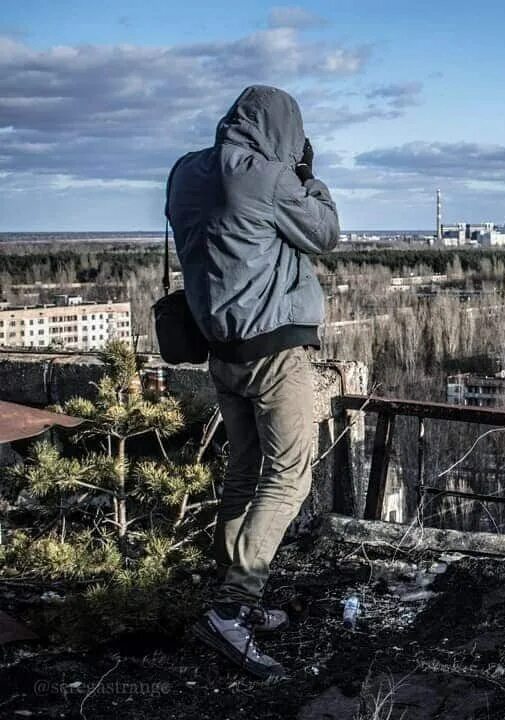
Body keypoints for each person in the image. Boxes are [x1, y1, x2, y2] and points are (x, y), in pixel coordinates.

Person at [166, 85, 340, 681]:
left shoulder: (187, 173)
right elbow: (324, 233)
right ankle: (232, 608)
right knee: (290, 473)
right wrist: (308, 177)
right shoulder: (266, 177)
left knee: (245, 470)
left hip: (221, 351)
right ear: (284, 130)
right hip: (275, 350)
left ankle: (235, 597)